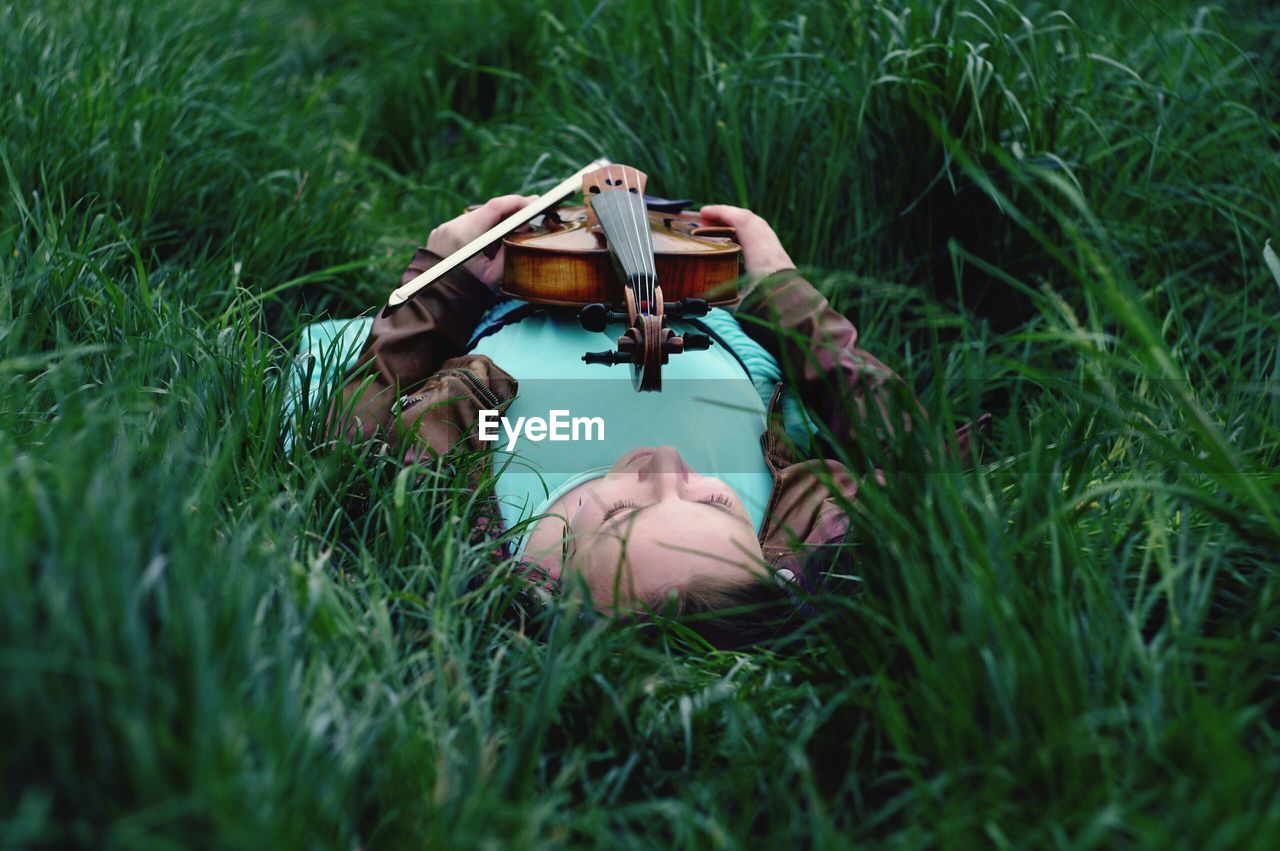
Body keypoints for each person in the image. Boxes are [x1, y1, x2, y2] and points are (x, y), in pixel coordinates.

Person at [331, 192, 922, 627]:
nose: (666, 464)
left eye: (618, 513)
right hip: (696, 305)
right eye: (716, 501)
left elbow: (358, 425)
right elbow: (921, 462)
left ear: (543, 581)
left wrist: (440, 279)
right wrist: (783, 287)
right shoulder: (785, 526)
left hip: (504, 301)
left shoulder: (453, 507)